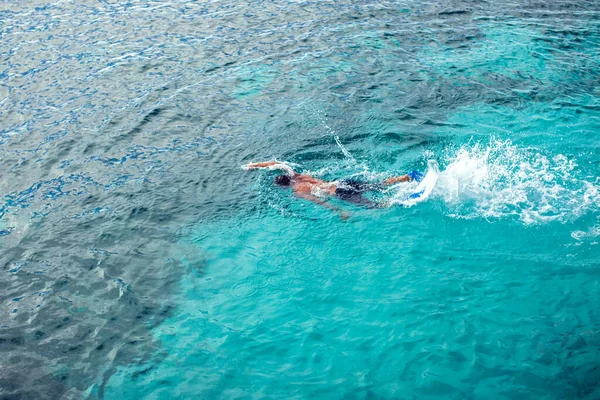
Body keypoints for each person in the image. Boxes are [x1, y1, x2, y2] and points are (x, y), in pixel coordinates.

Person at [244, 161, 423, 217]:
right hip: (341, 183)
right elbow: (277, 163)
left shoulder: (298, 190)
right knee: (375, 186)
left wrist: (339, 211)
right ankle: (405, 178)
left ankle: (398, 202)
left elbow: (319, 201)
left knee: (373, 205)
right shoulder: (297, 175)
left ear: (282, 186)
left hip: (338, 193)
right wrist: (255, 165)